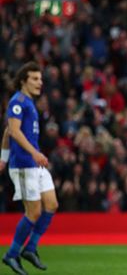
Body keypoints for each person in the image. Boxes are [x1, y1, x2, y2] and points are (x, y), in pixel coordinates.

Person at [1, 62, 59, 275]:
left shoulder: (29, 103)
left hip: (35, 164)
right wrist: (28, 154)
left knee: (51, 204)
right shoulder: (17, 102)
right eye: (35, 79)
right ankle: (12, 255)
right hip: (25, 164)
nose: (39, 82)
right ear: (23, 81)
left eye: (40, 79)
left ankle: (30, 248)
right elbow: (13, 132)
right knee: (33, 212)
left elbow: (8, 132)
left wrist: (2, 159)